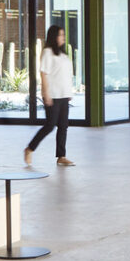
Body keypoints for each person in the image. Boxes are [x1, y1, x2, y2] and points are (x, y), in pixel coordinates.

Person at [25, 24, 74, 167]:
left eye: (63, 35)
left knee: (63, 126)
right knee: (50, 125)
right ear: (54, 36)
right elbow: (44, 74)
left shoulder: (64, 54)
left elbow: (66, 75)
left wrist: (69, 92)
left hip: (64, 94)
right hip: (53, 95)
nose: (63, 38)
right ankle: (30, 149)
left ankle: (61, 156)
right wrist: (45, 93)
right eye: (60, 35)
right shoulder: (47, 52)